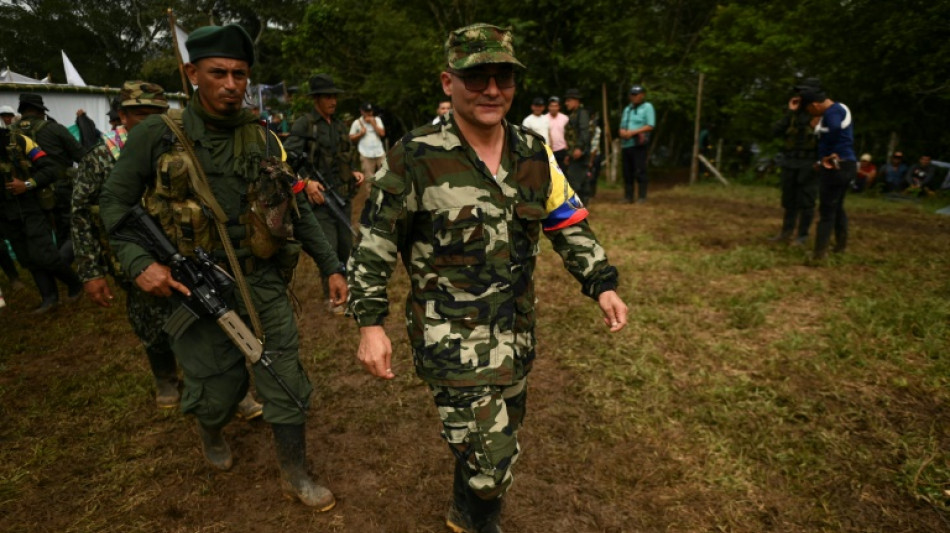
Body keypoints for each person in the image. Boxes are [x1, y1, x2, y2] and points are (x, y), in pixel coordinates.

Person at [347, 23, 628, 532]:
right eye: (476, 78)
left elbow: (566, 221)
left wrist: (601, 282)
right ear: (447, 82)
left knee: (496, 437)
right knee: (493, 461)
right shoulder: (415, 156)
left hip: (516, 333)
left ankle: (463, 510)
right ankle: (479, 519)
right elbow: (375, 244)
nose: (492, 90)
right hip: (450, 340)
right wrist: (370, 324)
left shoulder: (532, 152)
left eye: (503, 78)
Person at [100, 24, 347, 510]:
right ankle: (212, 430)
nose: (231, 84)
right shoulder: (156, 134)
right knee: (219, 388)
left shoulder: (261, 135)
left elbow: (294, 207)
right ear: (193, 73)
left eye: (240, 74)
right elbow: (113, 207)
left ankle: (294, 472)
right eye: (218, 73)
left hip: (261, 280)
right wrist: (138, 264)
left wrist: (331, 265)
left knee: (284, 377)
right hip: (193, 286)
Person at [285, 73, 365, 314]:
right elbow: (285, 162)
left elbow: (344, 155)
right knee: (328, 247)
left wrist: (354, 172)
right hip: (318, 200)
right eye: (327, 97)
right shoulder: (305, 124)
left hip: (341, 196)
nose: (333, 101)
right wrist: (306, 182)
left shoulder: (339, 125)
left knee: (345, 245)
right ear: (316, 99)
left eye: (334, 97)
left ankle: (347, 288)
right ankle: (333, 296)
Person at [0, 119, 83, 312]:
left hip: (30, 208)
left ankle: (75, 283)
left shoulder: (20, 141)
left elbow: (50, 169)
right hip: (5, 215)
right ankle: (49, 297)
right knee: (28, 259)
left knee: (46, 256)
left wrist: (27, 184)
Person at [12, 93, 86, 258]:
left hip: (24, 193)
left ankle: (48, 264)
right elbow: (82, 156)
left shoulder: (9, 133)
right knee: (69, 232)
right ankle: (62, 265)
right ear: (40, 111)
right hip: (59, 190)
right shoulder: (54, 129)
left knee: (37, 236)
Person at [800, 88, 855, 260]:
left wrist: (830, 155)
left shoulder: (832, 112)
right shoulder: (837, 110)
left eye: (809, 110)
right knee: (837, 207)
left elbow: (835, 129)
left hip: (836, 166)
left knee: (827, 211)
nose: (810, 113)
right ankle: (840, 246)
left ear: (815, 105)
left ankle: (819, 254)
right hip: (847, 164)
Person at [769, 81, 819, 243]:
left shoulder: (819, 115)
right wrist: (790, 113)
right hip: (790, 161)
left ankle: (802, 235)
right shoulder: (792, 115)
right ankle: (786, 232)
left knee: (806, 200)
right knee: (789, 199)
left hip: (809, 162)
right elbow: (774, 131)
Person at [619, 85, 655, 203]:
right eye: (632, 95)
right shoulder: (627, 109)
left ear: (642, 95)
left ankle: (642, 196)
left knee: (640, 170)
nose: (634, 97)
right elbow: (622, 125)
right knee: (627, 171)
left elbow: (650, 125)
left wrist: (633, 132)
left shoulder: (647, 107)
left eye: (636, 94)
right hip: (626, 144)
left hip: (639, 143)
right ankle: (628, 196)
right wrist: (623, 132)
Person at [563, 88, 592, 204]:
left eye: (569, 100)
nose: (566, 103)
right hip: (574, 153)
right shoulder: (574, 115)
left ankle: (578, 205)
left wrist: (579, 148)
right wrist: (569, 154)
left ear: (576, 101)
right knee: (581, 179)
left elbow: (584, 132)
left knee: (575, 180)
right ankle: (582, 203)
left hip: (580, 152)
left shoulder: (582, 114)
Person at [349, 102, 386, 180]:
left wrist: (373, 124)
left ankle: (384, 192)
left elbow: (382, 134)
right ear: (362, 111)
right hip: (366, 154)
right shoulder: (357, 122)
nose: (369, 113)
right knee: (369, 180)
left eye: (370, 111)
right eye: (366, 111)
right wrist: (360, 134)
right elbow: (350, 137)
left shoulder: (377, 120)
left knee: (385, 176)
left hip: (379, 153)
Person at [547, 95, 568, 172]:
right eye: (551, 106)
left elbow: (569, 135)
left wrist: (568, 151)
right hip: (549, 150)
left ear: (559, 107)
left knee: (562, 173)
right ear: (548, 107)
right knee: (550, 174)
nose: (553, 108)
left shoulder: (565, 118)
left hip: (562, 150)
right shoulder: (544, 119)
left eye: (556, 106)